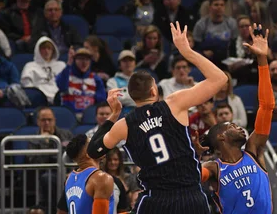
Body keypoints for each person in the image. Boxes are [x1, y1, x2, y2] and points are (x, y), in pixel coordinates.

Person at [87, 21, 228, 213]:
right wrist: (187, 52)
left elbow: (94, 150)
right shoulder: (175, 103)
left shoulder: (124, 125)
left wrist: (113, 115)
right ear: (154, 90)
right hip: (190, 196)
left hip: (156, 201)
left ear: (132, 96)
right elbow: (220, 79)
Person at [194, 25, 274, 213]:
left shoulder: (254, 150)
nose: (238, 127)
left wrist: (262, 60)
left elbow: (267, 107)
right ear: (221, 136)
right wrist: (196, 156)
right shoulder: (214, 168)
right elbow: (191, 179)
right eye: (231, 125)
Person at [64, 134, 115, 214]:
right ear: (88, 153)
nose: (98, 145)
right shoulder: (101, 178)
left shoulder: (69, 179)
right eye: (92, 143)